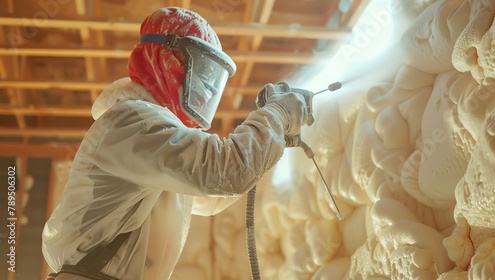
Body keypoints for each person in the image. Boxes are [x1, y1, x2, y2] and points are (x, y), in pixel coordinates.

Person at [42, 7, 309, 280]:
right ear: (164, 58)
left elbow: (212, 193)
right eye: (203, 75)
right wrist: (276, 116)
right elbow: (224, 172)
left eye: (212, 82)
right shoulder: (132, 122)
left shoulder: (156, 138)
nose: (207, 94)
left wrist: (268, 140)